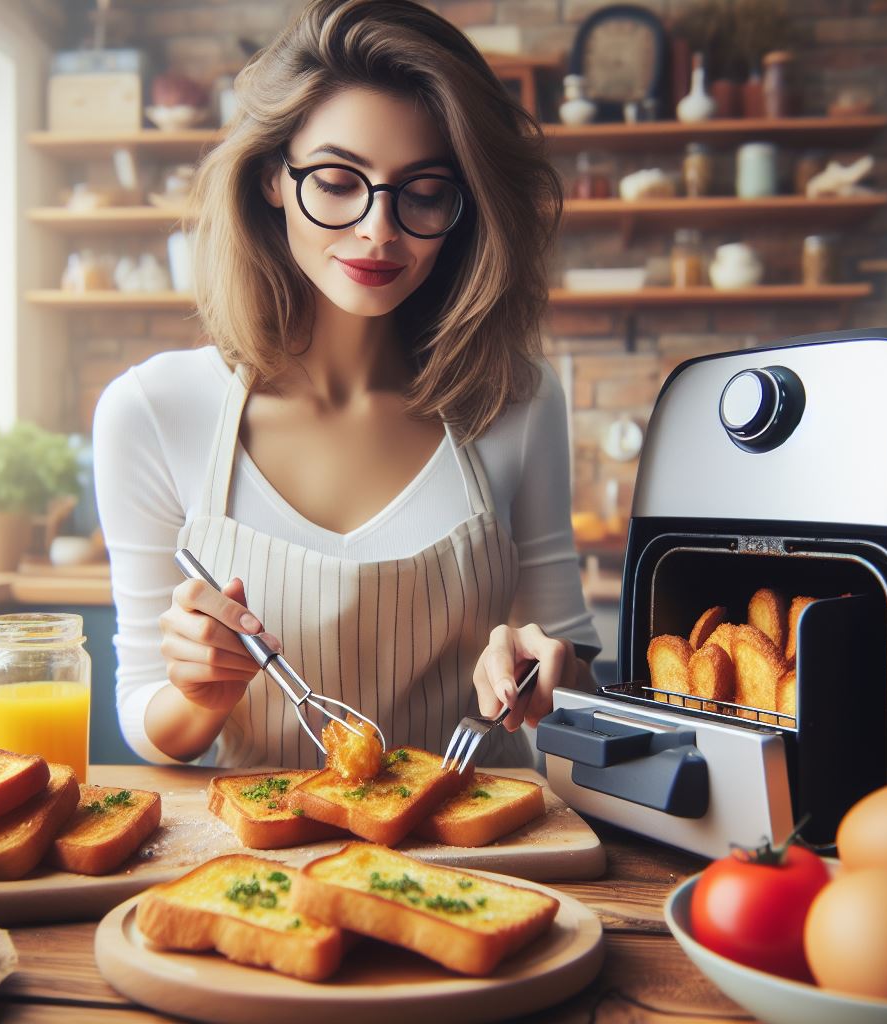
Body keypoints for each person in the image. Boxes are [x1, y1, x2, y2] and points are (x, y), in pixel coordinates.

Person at [93, 0, 600, 769]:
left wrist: (549, 672)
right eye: (337, 181)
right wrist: (196, 697)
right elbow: (140, 711)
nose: (379, 230)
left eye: (424, 193)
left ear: (466, 210)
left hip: (478, 867)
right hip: (254, 872)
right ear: (272, 178)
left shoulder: (517, 401)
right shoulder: (152, 412)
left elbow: (577, 675)